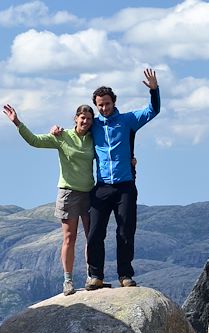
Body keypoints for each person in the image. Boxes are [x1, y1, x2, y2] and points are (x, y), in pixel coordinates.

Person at [56, 69, 160, 290]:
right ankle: (96, 276)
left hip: (125, 186)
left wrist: (154, 90)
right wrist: (57, 131)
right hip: (102, 187)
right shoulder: (94, 125)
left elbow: (153, 110)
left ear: (114, 102)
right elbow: (77, 128)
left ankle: (125, 275)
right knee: (94, 233)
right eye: (100, 105)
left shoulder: (127, 120)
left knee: (125, 231)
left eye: (107, 103)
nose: (104, 108)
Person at [2, 103, 95, 296]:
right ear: (75, 119)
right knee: (69, 238)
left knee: (91, 237)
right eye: (82, 118)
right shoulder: (62, 137)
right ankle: (68, 281)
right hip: (69, 192)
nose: (85, 121)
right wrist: (17, 122)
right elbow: (34, 141)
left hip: (89, 193)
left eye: (88, 118)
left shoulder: (94, 138)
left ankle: (91, 276)